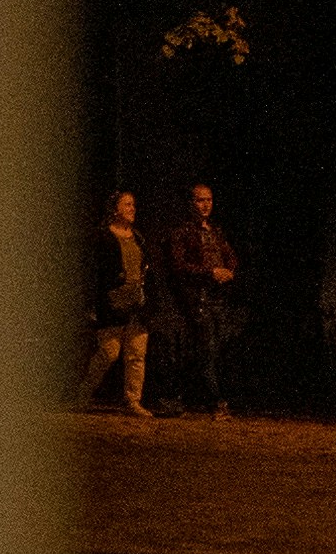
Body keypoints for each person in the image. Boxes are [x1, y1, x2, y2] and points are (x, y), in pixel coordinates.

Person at [162, 177, 241, 415]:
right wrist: (210, 273)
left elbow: (230, 255)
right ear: (191, 203)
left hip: (218, 297)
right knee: (206, 349)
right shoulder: (182, 232)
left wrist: (229, 271)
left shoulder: (216, 231)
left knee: (214, 349)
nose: (206, 205)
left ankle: (179, 396)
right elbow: (178, 266)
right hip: (198, 298)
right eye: (200, 200)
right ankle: (216, 401)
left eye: (209, 200)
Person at [81, 185, 154, 418]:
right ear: (115, 209)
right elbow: (94, 272)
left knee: (136, 353)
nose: (133, 209)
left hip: (136, 304)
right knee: (109, 352)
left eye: (133, 205)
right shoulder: (103, 236)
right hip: (112, 303)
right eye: (127, 205)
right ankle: (83, 393)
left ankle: (133, 400)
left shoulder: (138, 237)